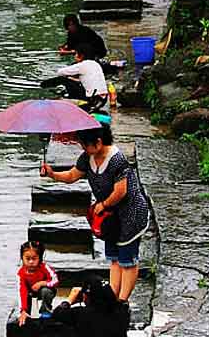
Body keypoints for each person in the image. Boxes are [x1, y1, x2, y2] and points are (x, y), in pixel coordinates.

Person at [40, 124, 149, 304]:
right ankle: (113, 297)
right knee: (114, 258)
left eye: (85, 144)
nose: (83, 148)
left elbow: (121, 191)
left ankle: (122, 301)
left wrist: (103, 204)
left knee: (127, 260)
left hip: (131, 214)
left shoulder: (117, 160)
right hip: (111, 217)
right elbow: (72, 175)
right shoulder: (87, 157)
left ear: (98, 142)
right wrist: (52, 174)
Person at [40, 44, 108, 110]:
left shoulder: (82, 65)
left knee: (64, 79)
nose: (74, 56)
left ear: (81, 56)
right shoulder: (96, 64)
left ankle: (42, 86)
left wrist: (69, 76)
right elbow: (87, 80)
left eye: (75, 54)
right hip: (103, 99)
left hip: (92, 100)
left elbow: (60, 72)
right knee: (72, 80)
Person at [16, 240, 59, 326]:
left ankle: (45, 311)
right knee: (26, 296)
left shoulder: (44, 267)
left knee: (45, 291)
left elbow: (55, 281)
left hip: (46, 290)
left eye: (34, 258)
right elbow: (22, 291)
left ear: (39, 258)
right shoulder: (21, 272)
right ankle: (26, 313)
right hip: (31, 292)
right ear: (22, 258)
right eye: (28, 259)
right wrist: (23, 310)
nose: (31, 262)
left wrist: (42, 283)